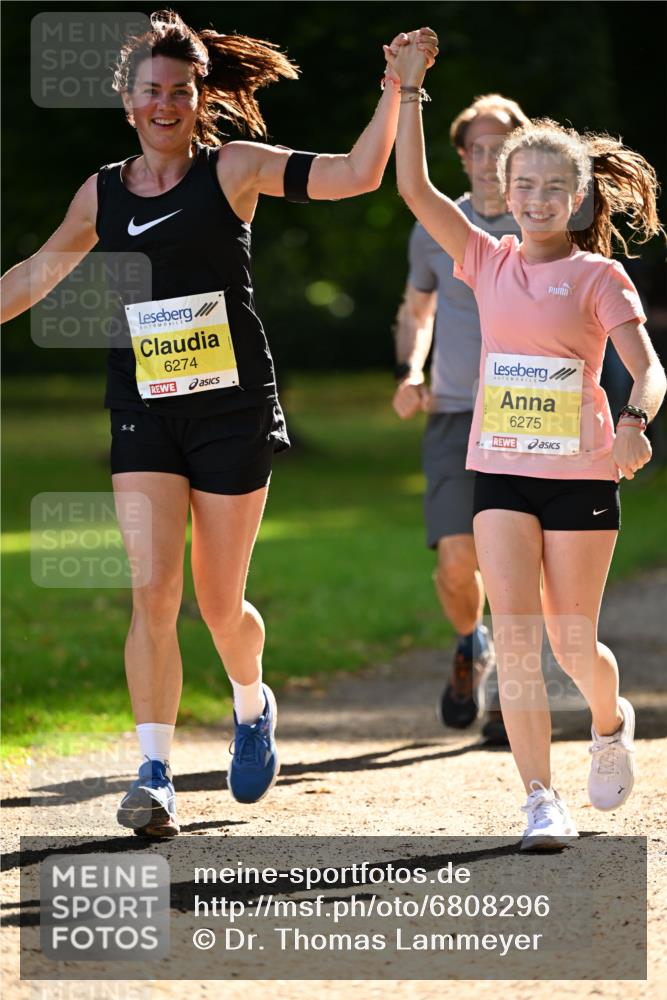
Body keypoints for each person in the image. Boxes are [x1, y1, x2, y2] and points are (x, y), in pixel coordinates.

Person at [1, 11, 437, 838]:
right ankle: (155, 772)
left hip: (231, 407)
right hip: (142, 406)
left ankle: (250, 701)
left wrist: (396, 89)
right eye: (150, 91)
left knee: (218, 601)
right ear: (126, 101)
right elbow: (38, 271)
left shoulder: (231, 168)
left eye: (180, 91)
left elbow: (354, 175)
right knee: (153, 590)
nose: (165, 104)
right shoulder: (102, 191)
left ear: (199, 99)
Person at [386, 34, 666, 849]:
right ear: (503, 192)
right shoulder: (483, 258)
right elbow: (412, 186)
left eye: (554, 187)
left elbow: (647, 370)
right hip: (499, 471)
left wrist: (632, 425)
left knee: (571, 639)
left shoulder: (597, 277)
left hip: (579, 473)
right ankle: (540, 798)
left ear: (577, 198)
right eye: (524, 185)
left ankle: (610, 722)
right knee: (513, 634)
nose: (538, 198)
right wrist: (407, 90)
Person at [392, 93, 529, 743]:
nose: (487, 159)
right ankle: (469, 643)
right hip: (452, 414)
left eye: (500, 146)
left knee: (516, 561)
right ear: (461, 156)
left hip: (531, 415)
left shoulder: (545, 225)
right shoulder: (436, 228)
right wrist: (409, 372)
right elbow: (415, 313)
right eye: (476, 147)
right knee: (455, 560)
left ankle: (508, 693)